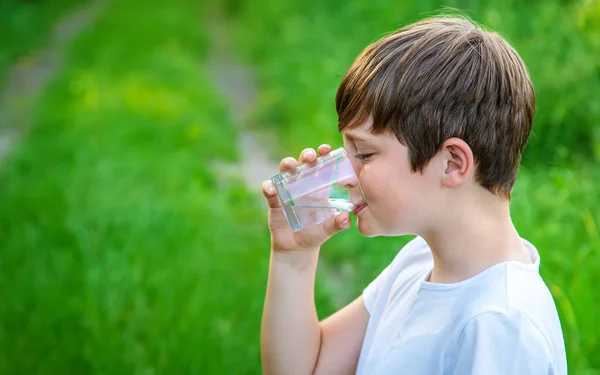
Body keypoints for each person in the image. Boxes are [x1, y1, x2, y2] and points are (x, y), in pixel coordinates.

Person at [260, 15, 567, 375]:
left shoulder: (501, 326)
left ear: (452, 163)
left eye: (364, 154)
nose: (345, 177)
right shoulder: (420, 262)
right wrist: (293, 257)